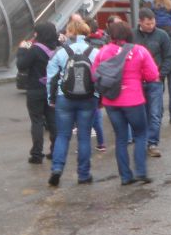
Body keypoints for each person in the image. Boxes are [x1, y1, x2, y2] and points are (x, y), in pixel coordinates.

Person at [92, 21, 159, 185]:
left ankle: (125, 176)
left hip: (111, 101)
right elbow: (152, 75)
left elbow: (94, 74)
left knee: (121, 138)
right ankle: (141, 172)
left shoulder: (103, 52)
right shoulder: (140, 51)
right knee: (140, 134)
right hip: (133, 99)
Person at [45, 18, 99, 187]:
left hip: (64, 97)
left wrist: (51, 98)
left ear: (70, 32)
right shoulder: (95, 52)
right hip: (88, 98)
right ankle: (83, 175)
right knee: (84, 137)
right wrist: (99, 97)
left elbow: (51, 78)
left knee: (63, 135)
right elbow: (99, 76)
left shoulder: (61, 52)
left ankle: (57, 169)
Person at [16, 21, 60, 164]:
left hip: (36, 88)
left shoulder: (35, 49)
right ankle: (55, 151)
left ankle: (37, 154)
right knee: (53, 120)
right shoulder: (58, 49)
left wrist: (22, 50)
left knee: (37, 121)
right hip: (52, 89)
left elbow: (21, 66)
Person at [133, 8, 171, 157]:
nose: (151, 26)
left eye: (153, 22)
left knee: (155, 114)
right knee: (140, 113)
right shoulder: (132, 35)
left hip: (155, 82)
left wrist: (161, 75)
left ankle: (152, 144)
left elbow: (169, 56)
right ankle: (141, 141)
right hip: (136, 82)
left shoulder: (162, 35)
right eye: (148, 23)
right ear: (140, 22)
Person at [85, 17, 107, 152]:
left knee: (84, 115)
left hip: (86, 81)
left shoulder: (86, 45)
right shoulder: (104, 40)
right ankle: (101, 142)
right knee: (97, 112)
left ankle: (85, 144)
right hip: (99, 81)